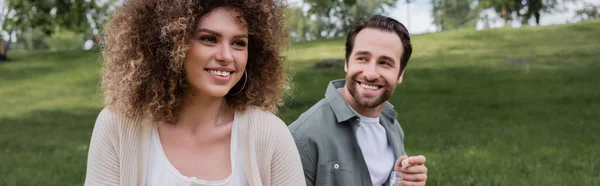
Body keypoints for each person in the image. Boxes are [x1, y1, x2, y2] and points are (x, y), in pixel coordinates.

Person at [84, 0, 305, 185]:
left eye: (238, 43)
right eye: (209, 39)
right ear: (170, 44)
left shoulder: (271, 135)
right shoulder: (118, 126)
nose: (226, 56)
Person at [288, 15, 428, 186]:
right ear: (347, 63)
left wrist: (400, 181)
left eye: (385, 63)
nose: (370, 74)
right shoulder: (303, 137)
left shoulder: (392, 126)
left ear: (400, 74)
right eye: (362, 58)